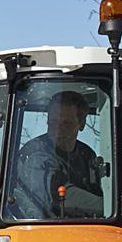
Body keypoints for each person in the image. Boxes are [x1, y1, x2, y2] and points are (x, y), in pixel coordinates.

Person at [11, 86, 105, 219]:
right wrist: (111, 207)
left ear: (82, 124)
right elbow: (56, 194)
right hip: (43, 230)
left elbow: (96, 191)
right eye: (53, 123)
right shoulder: (35, 154)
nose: (58, 130)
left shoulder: (86, 155)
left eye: (66, 124)